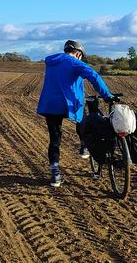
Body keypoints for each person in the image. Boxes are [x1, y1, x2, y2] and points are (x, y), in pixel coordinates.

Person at [36, 40, 112, 187]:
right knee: (82, 120)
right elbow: (94, 76)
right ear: (78, 54)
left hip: (50, 104)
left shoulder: (52, 62)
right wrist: (107, 95)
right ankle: (84, 145)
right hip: (68, 103)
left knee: (55, 139)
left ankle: (55, 174)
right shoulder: (74, 62)